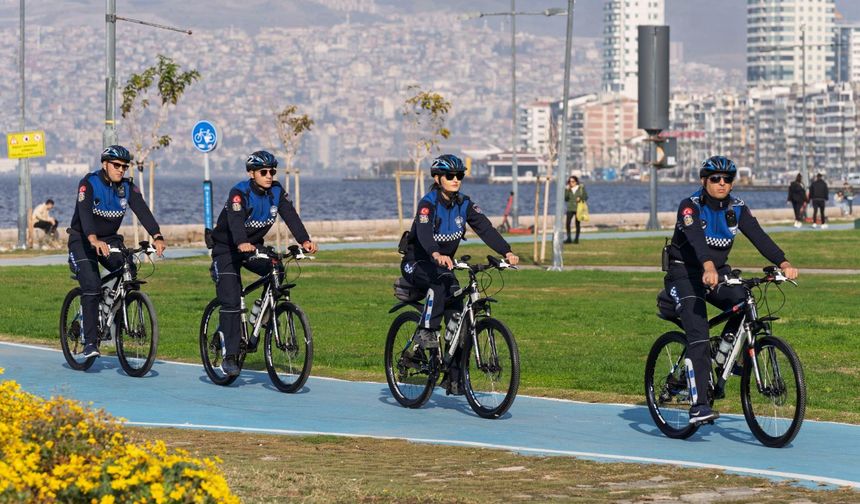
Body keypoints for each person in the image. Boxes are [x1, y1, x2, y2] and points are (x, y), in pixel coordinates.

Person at [664, 155, 798, 425]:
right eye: (715, 178)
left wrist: (783, 262)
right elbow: (697, 241)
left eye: (727, 179)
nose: (722, 183)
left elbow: (759, 236)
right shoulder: (690, 207)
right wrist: (708, 266)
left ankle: (724, 351)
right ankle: (699, 406)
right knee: (699, 335)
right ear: (704, 181)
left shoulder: (737, 208)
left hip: (716, 271)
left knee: (744, 300)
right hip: (685, 273)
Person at [400, 154, 519, 391]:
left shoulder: (464, 204)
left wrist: (506, 251)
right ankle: (426, 331)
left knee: (458, 316)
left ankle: (453, 377)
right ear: (437, 177)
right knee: (438, 284)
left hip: (444, 266)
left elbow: (485, 228)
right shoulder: (428, 203)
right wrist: (435, 253)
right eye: (450, 176)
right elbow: (423, 234)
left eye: (460, 176)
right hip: (418, 262)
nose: (456, 180)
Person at [209, 150, 318, 377]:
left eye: (272, 171)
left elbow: (291, 216)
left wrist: (304, 240)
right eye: (263, 172)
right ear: (251, 173)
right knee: (231, 299)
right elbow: (236, 221)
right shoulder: (239, 193)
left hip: (252, 246)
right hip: (227, 249)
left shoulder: (276, 192)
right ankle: (229, 357)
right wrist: (240, 242)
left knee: (276, 269)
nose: (269, 176)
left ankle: (258, 318)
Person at [67, 145, 167, 358]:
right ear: (105, 164)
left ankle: (111, 312)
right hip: (83, 240)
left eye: (124, 166)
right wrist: (93, 239)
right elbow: (84, 215)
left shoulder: (127, 188)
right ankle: (90, 342)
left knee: (129, 269)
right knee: (92, 286)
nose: (121, 170)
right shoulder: (89, 183)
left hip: (110, 241)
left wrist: (157, 236)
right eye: (116, 165)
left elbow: (142, 211)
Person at [564, 176, 588, 244]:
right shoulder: (569, 189)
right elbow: (565, 199)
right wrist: (566, 190)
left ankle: (576, 239)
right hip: (570, 208)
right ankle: (569, 238)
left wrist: (580, 198)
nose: (571, 183)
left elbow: (585, 196)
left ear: (576, 182)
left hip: (578, 208)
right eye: (570, 182)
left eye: (573, 181)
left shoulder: (581, 188)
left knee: (577, 224)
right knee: (567, 223)